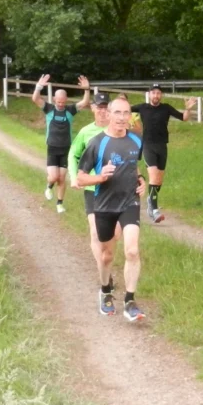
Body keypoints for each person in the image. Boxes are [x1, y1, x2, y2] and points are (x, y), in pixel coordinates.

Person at [77, 97, 148, 322]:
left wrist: (141, 180)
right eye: (117, 112)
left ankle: (130, 301)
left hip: (129, 202)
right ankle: (106, 291)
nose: (122, 118)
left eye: (126, 113)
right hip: (104, 205)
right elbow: (80, 178)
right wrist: (100, 177)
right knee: (106, 256)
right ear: (108, 114)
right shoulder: (97, 143)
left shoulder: (136, 140)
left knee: (132, 251)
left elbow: (133, 166)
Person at [68, 91, 117, 309]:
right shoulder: (86, 132)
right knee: (96, 233)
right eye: (99, 107)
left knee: (113, 237)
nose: (103, 111)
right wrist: (74, 177)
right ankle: (105, 273)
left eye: (106, 107)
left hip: (115, 189)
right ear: (93, 109)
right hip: (93, 188)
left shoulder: (118, 131)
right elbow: (73, 154)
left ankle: (106, 264)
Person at [130, 83, 196, 223]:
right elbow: (125, 109)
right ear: (149, 94)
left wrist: (188, 109)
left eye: (158, 93)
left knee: (159, 181)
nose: (156, 95)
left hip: (162, 146)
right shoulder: (143, 107)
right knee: (153, 177)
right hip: (148, 146)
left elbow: (184, 118)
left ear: (161, 95)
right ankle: (154, 210)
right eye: (153, 93)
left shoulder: (166, 108)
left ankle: (151, 199)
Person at [31, 73, 91, 213]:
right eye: (58, 102)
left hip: (66, 149)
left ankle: (59, 203)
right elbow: (35, 99)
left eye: (63, 102)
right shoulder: (49, 109)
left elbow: (84, 102)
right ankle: (48, 186)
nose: (61, 104)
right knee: (54, 176)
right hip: (52, 148)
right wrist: (39, 86)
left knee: (62, 178)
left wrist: (87, 89)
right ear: (54, 99)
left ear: (66, 100)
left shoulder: (70, 110)